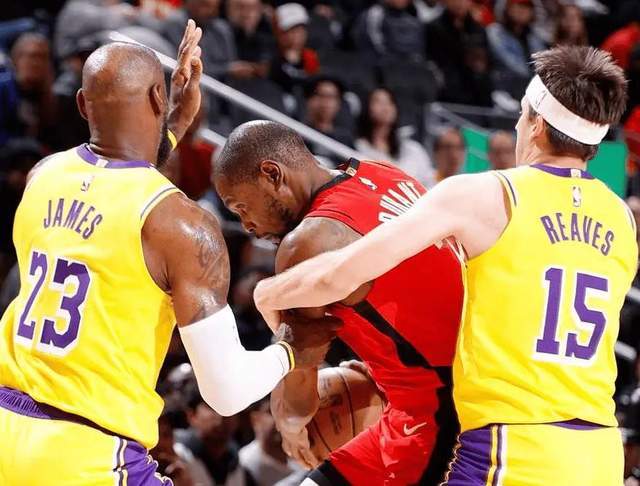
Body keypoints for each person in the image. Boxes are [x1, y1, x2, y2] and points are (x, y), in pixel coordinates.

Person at [253, 46, 636, 485]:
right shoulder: (622, 218)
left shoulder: (485, 195)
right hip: (601, 453)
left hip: (514, 449)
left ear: (536, 123)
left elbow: (338, 273)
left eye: (520, 116)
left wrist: (270, 292)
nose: (517, 126)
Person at [0, 21, 336, 485]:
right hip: (88, 451)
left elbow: (114, 182)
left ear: (81, 104)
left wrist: (172, 125)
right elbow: (227, 392)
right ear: (159, 97)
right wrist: (292, 348)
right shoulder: (183, 225)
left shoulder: (42, 176)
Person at [213, 120, 464, 485]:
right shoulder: (384, 174)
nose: (246, 224)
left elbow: (298, 400)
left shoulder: (307, 243)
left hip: (438, 415)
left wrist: (290, 428)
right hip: (444, 391)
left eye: (241, 206)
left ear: (272, 174)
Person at [355, 87, 435, 187]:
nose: (385, 108)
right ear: (367, 108)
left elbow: (429, 181)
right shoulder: (358, 146)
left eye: (390, 102)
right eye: (378, 102)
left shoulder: (412, 149)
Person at [487, 0, 546, 98]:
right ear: (506, 8)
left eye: (526, 6)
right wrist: (533, 78)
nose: (521, 10)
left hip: (530, 93)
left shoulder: (534, 37)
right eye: (517, 5)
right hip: (501, 92)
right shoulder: (495, 31)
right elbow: (510, 63)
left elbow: (542, 63)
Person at [239, 398, 301, 485]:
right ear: (255, 419)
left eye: (285, 411)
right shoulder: (244, 463)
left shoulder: (305, 457)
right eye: (271, 411)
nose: (281, 418)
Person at [302, 76, 354, 163]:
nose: (326, 102)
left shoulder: (345, 139)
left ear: (338, 103)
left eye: (331, 97)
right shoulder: (300, 135)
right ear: (310, 100)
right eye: (321, 95)